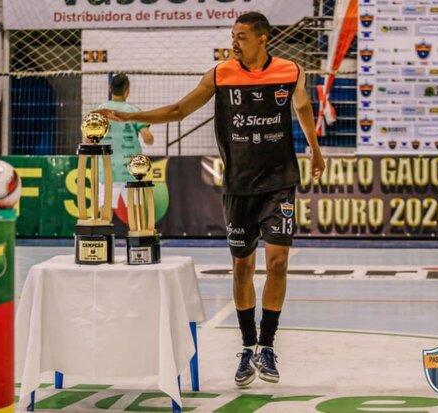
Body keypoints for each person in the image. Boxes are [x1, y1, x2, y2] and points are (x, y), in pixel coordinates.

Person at [96, 12, 325, 387]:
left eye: (241, 37)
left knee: (278, 262)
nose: (234, 42)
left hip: (279, 181)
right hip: (238, 184)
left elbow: (301, 106)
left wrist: (314, 149)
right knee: (242, 268)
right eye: (233, 36)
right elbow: (179, 110)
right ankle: (247, 346)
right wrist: (125, 117)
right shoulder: (220, 74)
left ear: (262, 39)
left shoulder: (290, 70)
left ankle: (267, 345)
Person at [93, 73, 154, 208]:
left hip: (106, 169)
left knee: (104, 211)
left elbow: (88, 139)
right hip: (131, 170)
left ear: (110, 88)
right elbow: (148, 139)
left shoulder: (100, 111)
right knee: (135, 212)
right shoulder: (133, 111)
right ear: (127, 90)